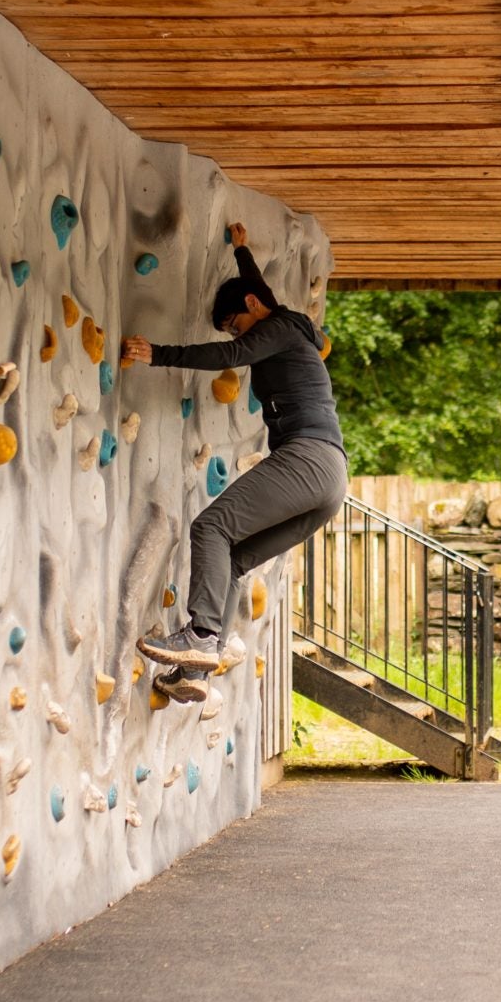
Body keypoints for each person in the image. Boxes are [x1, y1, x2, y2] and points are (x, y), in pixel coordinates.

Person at [122, 223, 345, 704]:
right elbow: (258, 292)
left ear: (250, 311)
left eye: (238, 324)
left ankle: (200, 638)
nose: (240, 338)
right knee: (236, 558)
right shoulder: (286, 322)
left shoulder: (278, 328)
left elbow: (233, 351)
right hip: (330, 479)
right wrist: (242, 250)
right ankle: (198, 671)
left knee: (211, 527)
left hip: (307, 458)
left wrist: (157, 353)